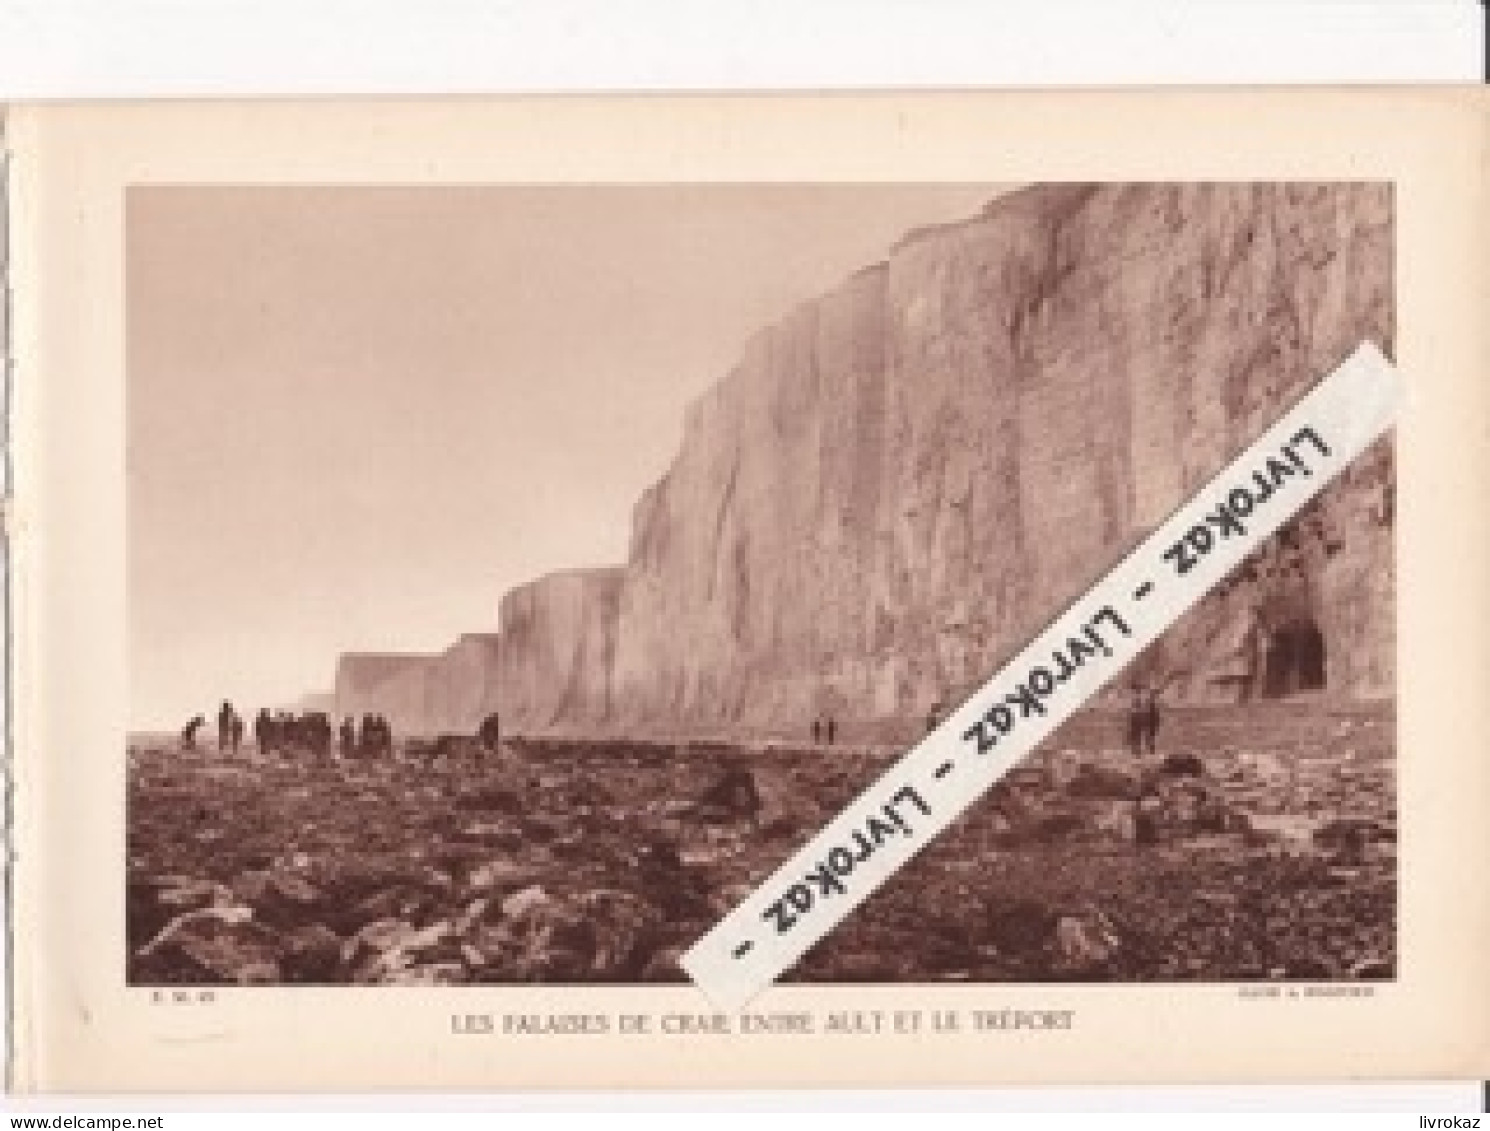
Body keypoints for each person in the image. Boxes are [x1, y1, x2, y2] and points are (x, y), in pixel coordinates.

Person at [1126, 686, 1146, 758]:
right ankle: (1136, 751)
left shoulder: (1140, 702)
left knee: (1138, 736)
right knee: (1136, 736)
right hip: (1136, 721)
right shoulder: (1135, 703)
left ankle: (1138, 751)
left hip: (1138, 720)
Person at [1142, 687, 1162, 757]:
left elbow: (1156, 717)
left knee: (1150, 736)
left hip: (1151, 724)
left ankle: (1150, 749)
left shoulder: (1151, 707)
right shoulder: (1150, 707)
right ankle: (1150, 749)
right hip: (1150, 723)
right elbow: (1155, 716)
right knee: (1150, 736)